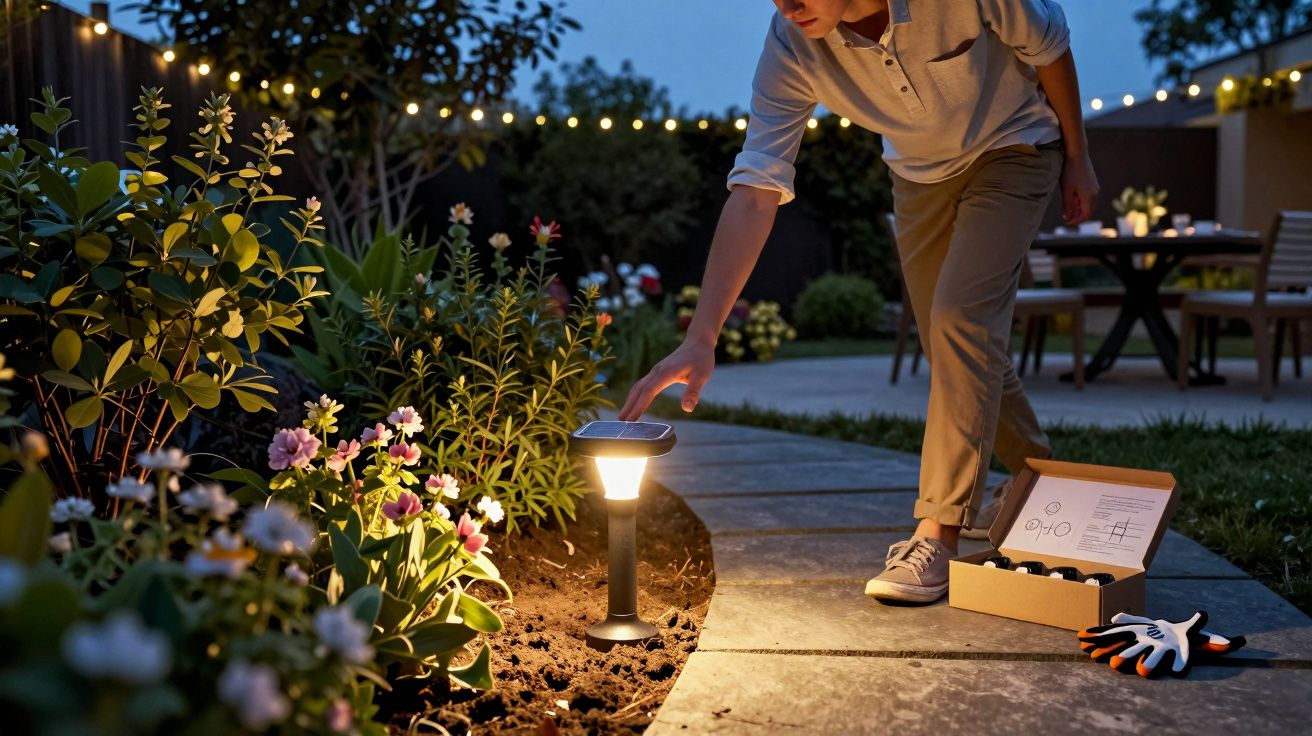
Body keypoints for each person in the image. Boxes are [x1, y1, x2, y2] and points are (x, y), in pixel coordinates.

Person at [618, 0, 1098, 604]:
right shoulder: (792, 44)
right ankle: (1041, 476)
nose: (787, 6)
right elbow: (755, 190)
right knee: (951, 339)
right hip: (919, 175)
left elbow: (1050, 47)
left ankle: (938, 531)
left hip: (1016, 147)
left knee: (958, 321)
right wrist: (701, 335)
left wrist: (1078, 159)